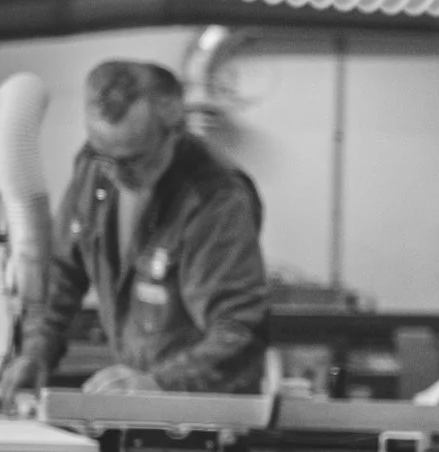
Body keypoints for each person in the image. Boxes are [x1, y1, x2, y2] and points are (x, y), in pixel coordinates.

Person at [1, 60, 268, 399]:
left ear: (174, 131)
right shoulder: (95, 168)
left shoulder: (214, 199)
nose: (114, 173)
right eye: (103, 155)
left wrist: (160, 384)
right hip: (134, 405)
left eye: (132, 160)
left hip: (201, 414)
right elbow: (62, 277)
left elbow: (239, 332)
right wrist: (36, 354)